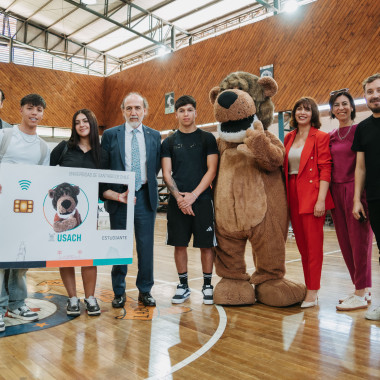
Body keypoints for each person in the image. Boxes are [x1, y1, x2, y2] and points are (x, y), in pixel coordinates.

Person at [50, 109, 125, 317]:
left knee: (89, 257)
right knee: (65, 257)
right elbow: (46, 178)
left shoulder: (102, 154)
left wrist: (119, 197)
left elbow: (104, 188)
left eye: (85, 121)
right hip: (64, 218)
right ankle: (72, 298)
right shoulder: (63, 148)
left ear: (92, 123)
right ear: (73, 126)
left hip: (90, 214)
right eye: (77, 122)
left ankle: (90, 298)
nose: (81, 124)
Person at [101, 92, 161, 308]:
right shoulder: (110, 135)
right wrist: (116, 193)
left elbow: (155, 166)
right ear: (123, 111)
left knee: (146, 247)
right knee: (119, 247)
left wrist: (143, 184)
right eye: (129, 108)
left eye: (137, 108)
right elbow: (105, 166)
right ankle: (119, 291)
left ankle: (145, 290)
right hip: (120, 198)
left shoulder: (155, 135)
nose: (133, 112)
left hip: (145, 197)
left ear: (144, 110)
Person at [161, 95, 219, 305]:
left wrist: (193, 196)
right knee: (179, 245)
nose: (186, 114)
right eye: (182, 110)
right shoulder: (169, 141)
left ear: (196, 112)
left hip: (202, 200)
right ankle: (183, 286)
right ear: (176, 114)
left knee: (206, 245)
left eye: (189, 110)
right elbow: (167, 173)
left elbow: (211, 170)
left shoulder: (207, 139)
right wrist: (179, 198)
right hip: (178, 202)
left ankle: (207, 285)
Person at [0, 94, 50, 332]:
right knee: (0, 260)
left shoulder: (42, 147)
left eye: (39, 110)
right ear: (21, 109)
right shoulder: (5, 136)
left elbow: (43, 180)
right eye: (30, 108)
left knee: (20, 260)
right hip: (1, 208)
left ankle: (16, 303)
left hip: (24, 211)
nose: (34, 113)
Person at [284, 97, 334, 308]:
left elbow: (326, 168)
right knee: (303, 247)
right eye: (298, 109)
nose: (302, 112)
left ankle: (312, 292)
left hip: (312, 194)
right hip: (292, 192)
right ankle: (310, 286)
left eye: (306, 109)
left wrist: (321, 200)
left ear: (313, 113)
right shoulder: (289, 137)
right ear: (294, 114)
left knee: (313, 247)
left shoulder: (320, 137)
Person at [328, 89, 372, 311]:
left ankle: (360, 293)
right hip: (336, 192)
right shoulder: (331, 137)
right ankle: (361, 287)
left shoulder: (360, 131)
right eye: (336, 105)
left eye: (345, 103)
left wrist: (358, 198)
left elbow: (364, 165)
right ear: (332, 110)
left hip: (356, 191)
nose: (341, 108)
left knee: (360, 243)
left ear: (352, 107)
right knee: (345, 243)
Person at [352, 73, 380, 320]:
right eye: (370, 91)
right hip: (375, 197)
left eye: (378, 90)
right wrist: (356, 199)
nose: (375, 95)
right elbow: (360, 167)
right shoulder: (363, 128)